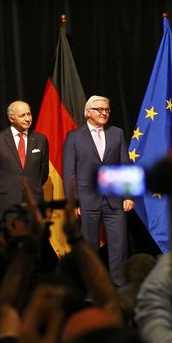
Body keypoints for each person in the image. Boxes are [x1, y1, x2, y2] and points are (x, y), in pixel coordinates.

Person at [63, 95, 134, 286]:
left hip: (114, 199)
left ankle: (119, 285)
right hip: (87, 200)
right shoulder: (74, 136)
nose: (104, 113)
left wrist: (128, 195)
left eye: (107, 110)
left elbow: (124, 165)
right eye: (99, 109)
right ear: (88, 113)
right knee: (89, 246)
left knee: (119, 245)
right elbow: (69, 172)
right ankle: (91, 286)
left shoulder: (117, 133)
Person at [0, 101, 49, 218]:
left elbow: (43, 172)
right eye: (22, 115)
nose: (27, 118)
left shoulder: (41, 139)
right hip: (7, 202)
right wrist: (4, 191)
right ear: (11, 118)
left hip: (34, 201)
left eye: (29, 114)